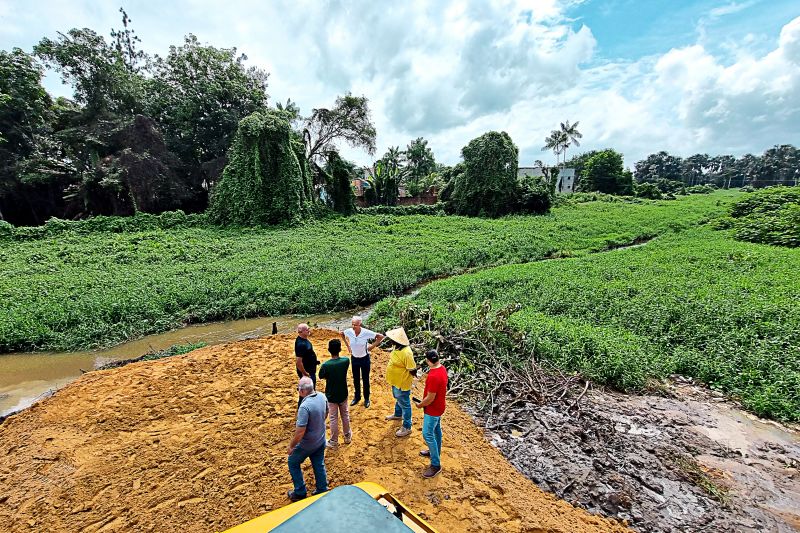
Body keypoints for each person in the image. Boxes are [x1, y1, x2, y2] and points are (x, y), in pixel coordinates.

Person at [287, 376, 328, 502]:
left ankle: (300, 492)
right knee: (318, 463)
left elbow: (300, 433)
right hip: (320, 439)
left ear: (303, 392)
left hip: (307, 443)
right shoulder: (322, 396)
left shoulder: (304, 407)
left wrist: (292, 446)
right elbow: (326, 413)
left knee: (293, 462)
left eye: (298, 389)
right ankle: (322, 488)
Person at [414, 349, 448, 478]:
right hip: (440, 406)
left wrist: (420, 404)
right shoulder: (442, 369)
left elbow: (430, 398)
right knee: (436, 431)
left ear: (428, 361)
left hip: (433, 409)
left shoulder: (433, 376)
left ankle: (435, 464)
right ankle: (435, 451)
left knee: (427, 434)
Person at [341, 316, 385, 408]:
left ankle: (366, 398)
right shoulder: (349, 331)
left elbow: (380, 337)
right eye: (352, 324)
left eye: (355, 325)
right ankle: (357, 397)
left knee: (365, 379)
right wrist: (348, 346)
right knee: (356, 379)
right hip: (354, 358)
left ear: (360, 324)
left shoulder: (366, 332)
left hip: (364, 358)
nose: (353, 326)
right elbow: (342, 334)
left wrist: (372, 347)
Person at [383, 327, 417, 437]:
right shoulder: (397, 348)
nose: (390, 340)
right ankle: (398, 414)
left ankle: (407, 426)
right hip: (395, 380)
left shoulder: (407, 353)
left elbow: (412, 369)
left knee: (404, 402)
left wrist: (413, 379)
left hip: (402, 382)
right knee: (398, 398)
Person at [318, 339, 352, 447]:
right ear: (340, 349)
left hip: (331, 394)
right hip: (343, 392)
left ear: (329, 350)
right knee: (345, 414)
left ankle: (334, 440)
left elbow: (321, 376)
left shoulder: (326, 365)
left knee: (333, 418)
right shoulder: (346, 361)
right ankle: (347, 436)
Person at [295, 323, 319, 408]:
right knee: (306, 392)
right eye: (307, 329)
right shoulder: (301, 344)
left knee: (308, 391)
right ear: (301, 332)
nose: (309, 330)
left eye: (309, 328)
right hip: (307, 372)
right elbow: (298, 362)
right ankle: (303, 409)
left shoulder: (303, 339)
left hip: (309, 369)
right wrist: (305, 373)